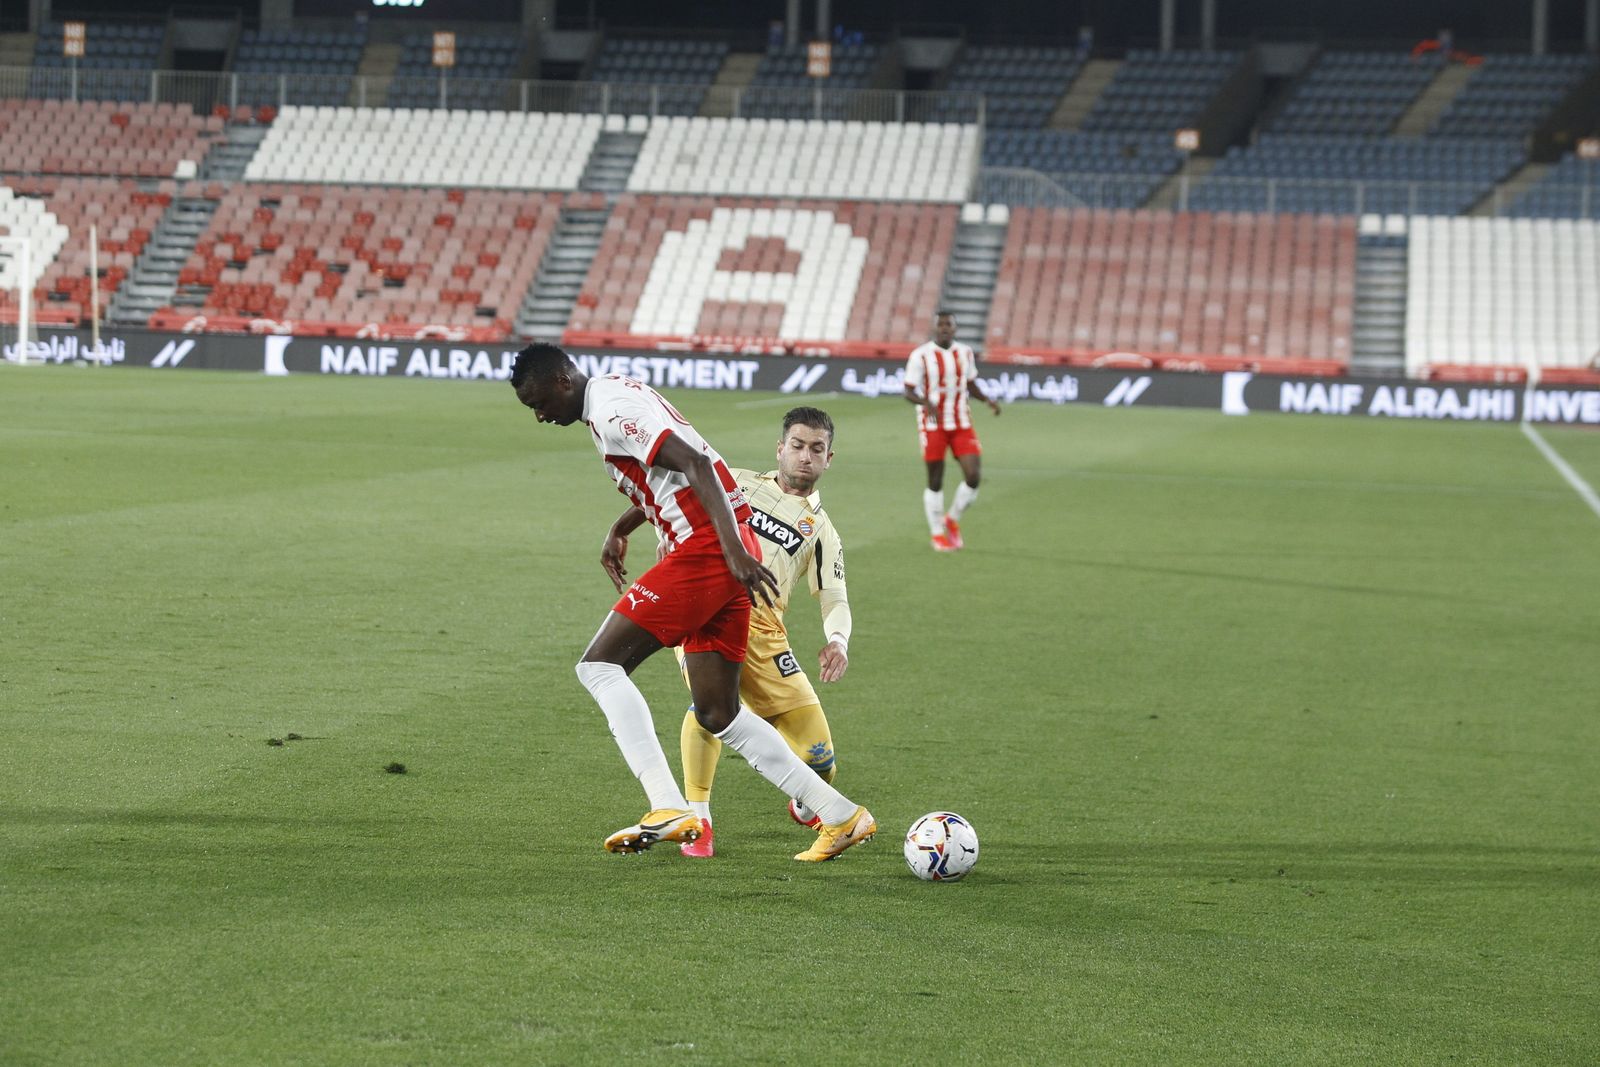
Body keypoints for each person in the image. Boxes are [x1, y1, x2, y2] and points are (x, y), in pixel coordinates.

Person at [509, 343, 876, 862]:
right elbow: (666, 477)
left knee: (599, 667)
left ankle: (666, 804)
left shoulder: (613, 412)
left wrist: (731, 552)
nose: (540, 415)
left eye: (538, 402)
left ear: (562, 380)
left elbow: (697, 462)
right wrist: (620, 529)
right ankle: (840, 815)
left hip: (706, 548)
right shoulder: (612, 395)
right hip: (722, 547)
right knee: (718, 711)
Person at [668, 406, 851, 858]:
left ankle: (809, 800)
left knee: (820, 757)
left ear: (829, 459)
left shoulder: (821, 530)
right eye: (797, 445)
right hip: (707, 610)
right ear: (780, 448)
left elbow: (835, 598)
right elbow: (675, 498)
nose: (805, 457)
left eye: (816, 449)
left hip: (766, 632)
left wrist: (837, 640)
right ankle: (698, 820)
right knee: (712, 707)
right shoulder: (737, 482)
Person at [903, 311, 1001, 552]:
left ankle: (952, 519)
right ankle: (937, 534)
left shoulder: (965, 352)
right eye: (941, 324)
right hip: (933, 424)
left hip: (961, 422)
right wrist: (925, 403)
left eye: (949, 325)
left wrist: (987, 400)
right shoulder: (920, 355)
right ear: (935, 328)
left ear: (955, 329)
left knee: (973, 476)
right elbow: (908, 390)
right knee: (935, 479)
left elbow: (970, 383)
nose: (945, 328)